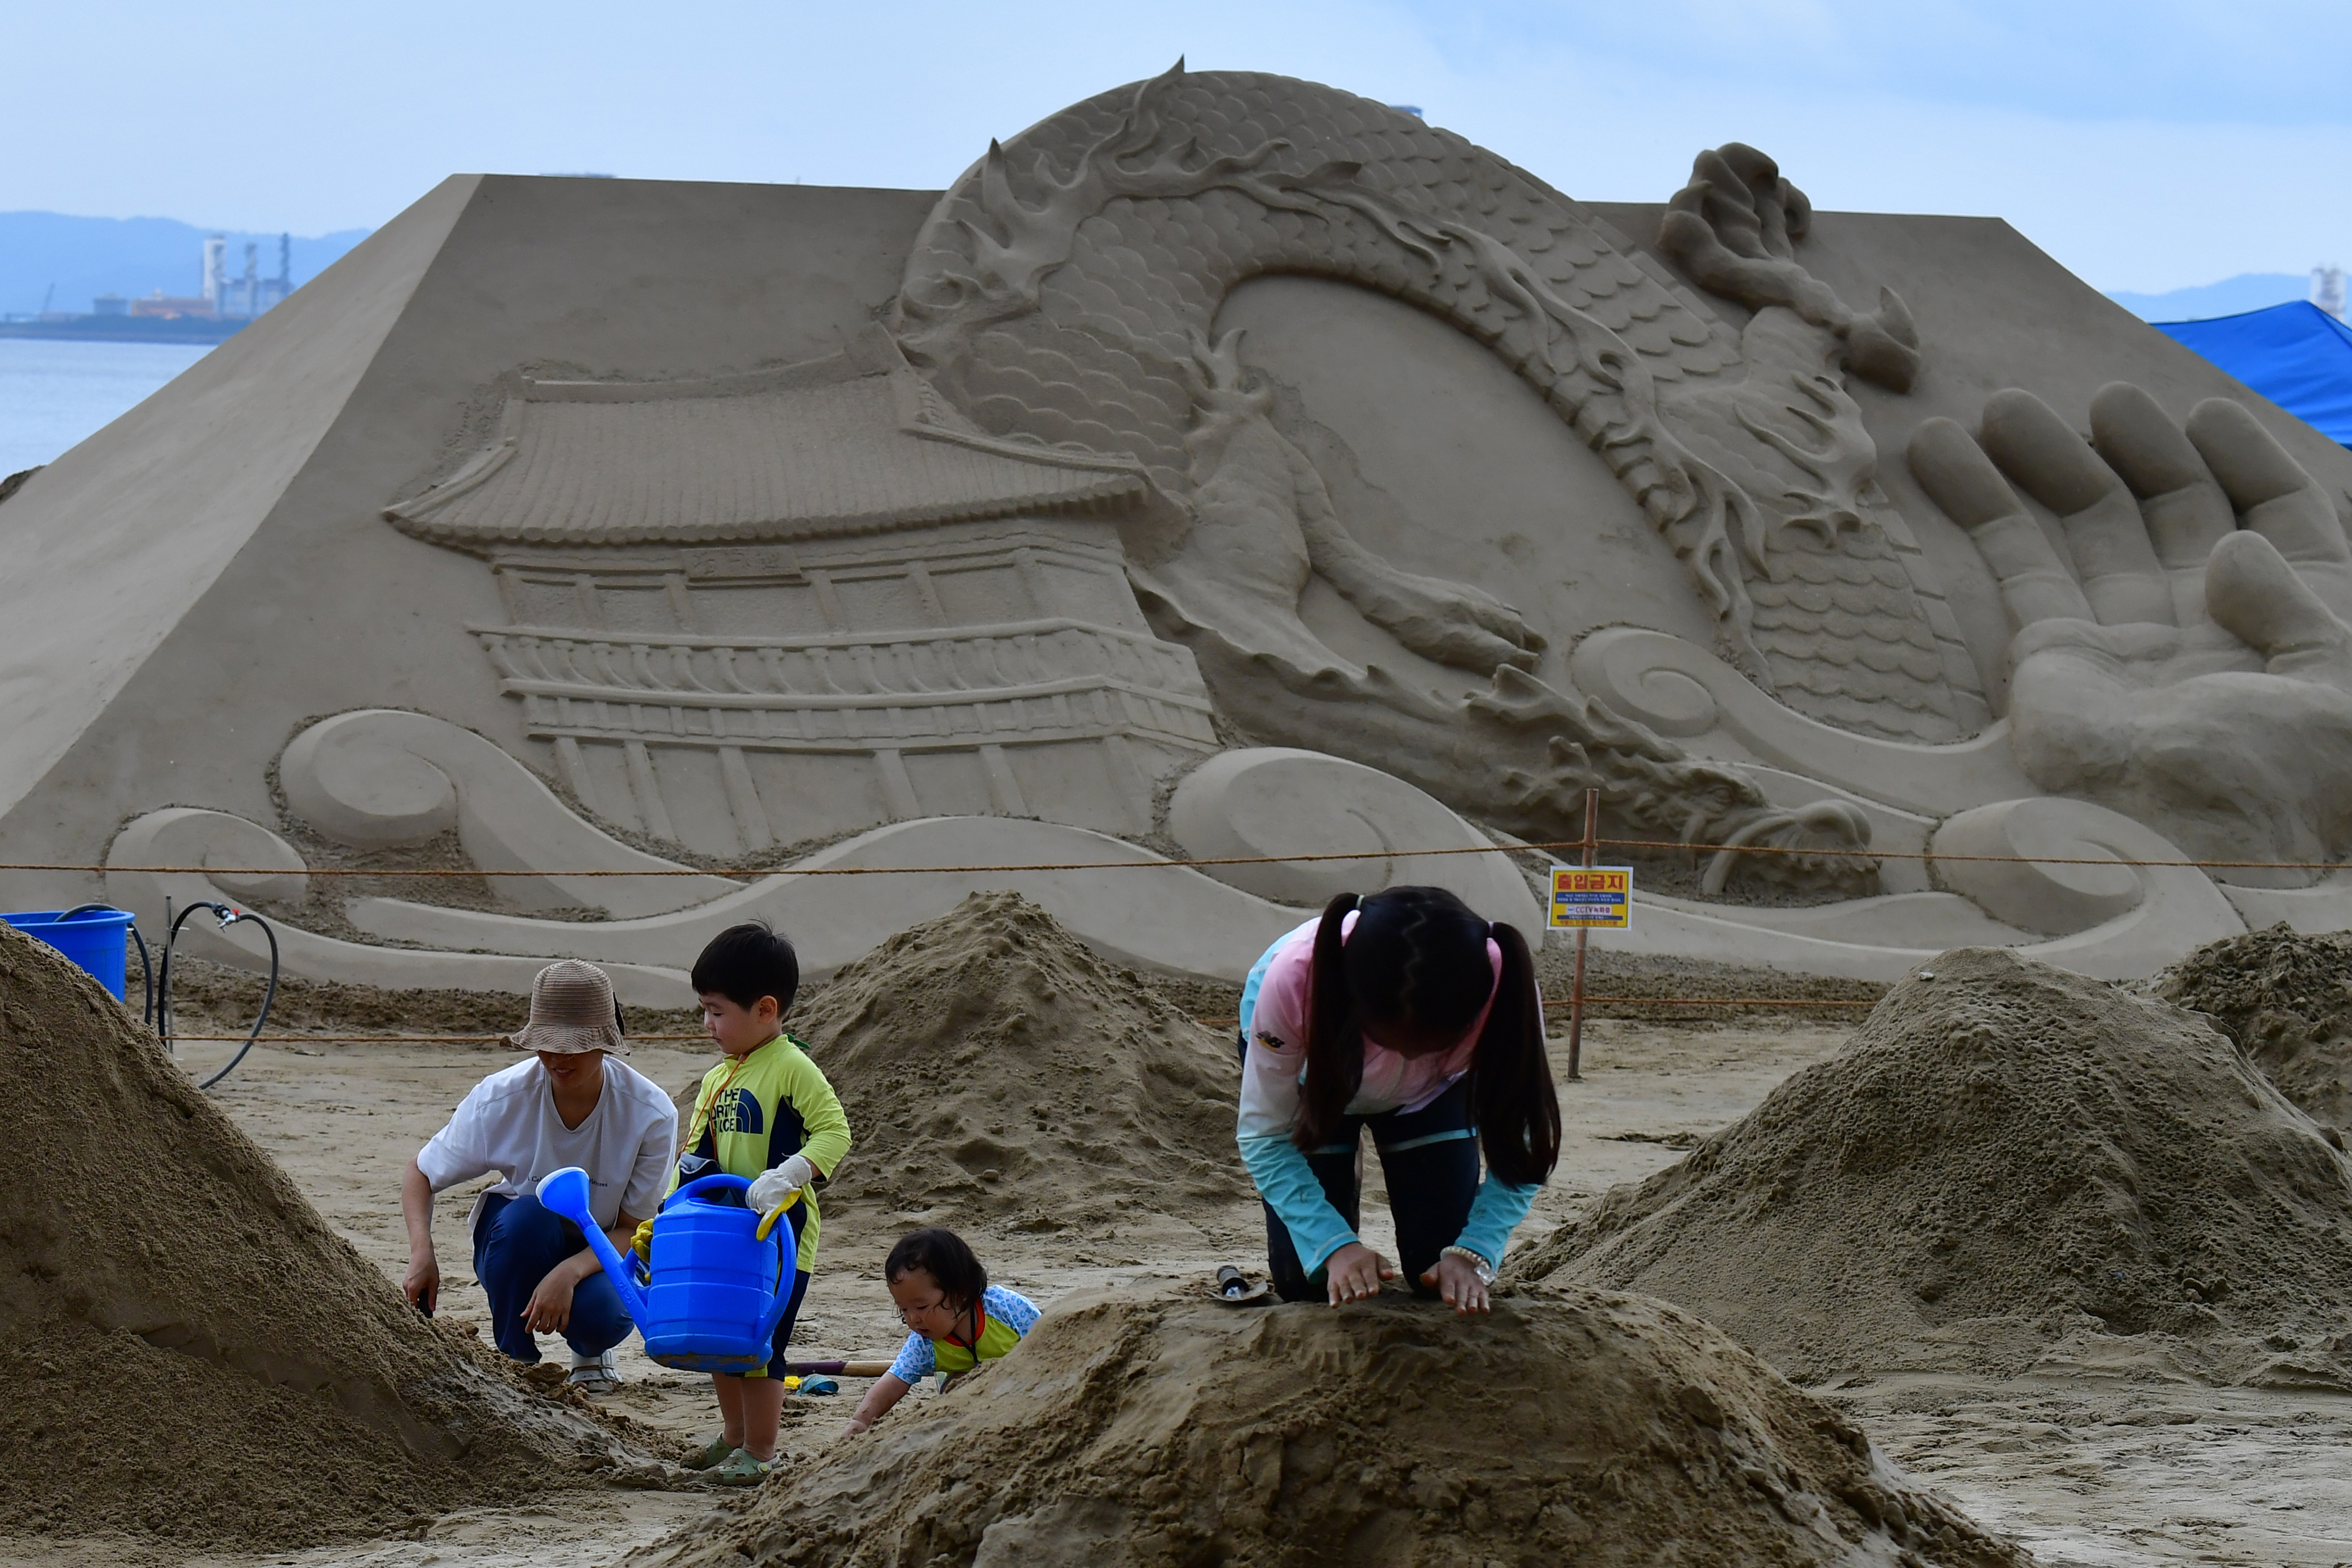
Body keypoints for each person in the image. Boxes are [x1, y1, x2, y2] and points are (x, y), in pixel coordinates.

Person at [1235, 886, 1559, 1313]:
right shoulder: (1292, 980)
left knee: (1436, 1271)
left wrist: (1476, 1250)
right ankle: (1337, 1165)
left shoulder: (1505, 987)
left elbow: (1526, 1138)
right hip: (1314, 1084)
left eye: (1435, 1047)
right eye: (1387, 1040)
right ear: (1353, 1005)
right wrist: (1334, 1247)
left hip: (1433, 1096)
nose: (1407, 1056)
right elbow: (1264, 1135)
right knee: (1306, 1281)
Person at [402, 959, 676, 1391]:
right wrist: (422, 1251)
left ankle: (590, 1349)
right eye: (547, 1043)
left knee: (605, 1313)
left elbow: (632, 1227)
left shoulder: (650, 1114)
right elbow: (421, 1173)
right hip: (518, 1239)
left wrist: (568, 1272)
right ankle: (517, 1364)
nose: (557, 1057)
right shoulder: (502, 1097)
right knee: (529, 1218)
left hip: (599, 1245)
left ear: (606, 1042)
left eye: (574, 1045)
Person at [666, 921, 853, 1486]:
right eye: (703, 1010)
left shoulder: (792, 1066)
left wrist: (790, 1174)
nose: (708, 1025)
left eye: (717, 1011)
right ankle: (733, 1436)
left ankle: (763, 1452)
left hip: (780, 1233)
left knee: (760, 1343)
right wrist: (672, 1214)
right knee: (719, 1339)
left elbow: (835, 1132)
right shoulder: (717, 1079)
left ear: (766, 1008)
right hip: (722, 1234)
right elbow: (696, 1153)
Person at [840, 1228, 1039, 1437]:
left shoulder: (1007, 1308)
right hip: (971, 1419)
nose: (913, 1319)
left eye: (922, 1307)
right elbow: (895, 1380)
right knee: (958, 1383)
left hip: (1025, 1392)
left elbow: (1053, 1341)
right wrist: (860, 1422)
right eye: (904, 1309)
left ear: (961, 1293)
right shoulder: (924, 1342)